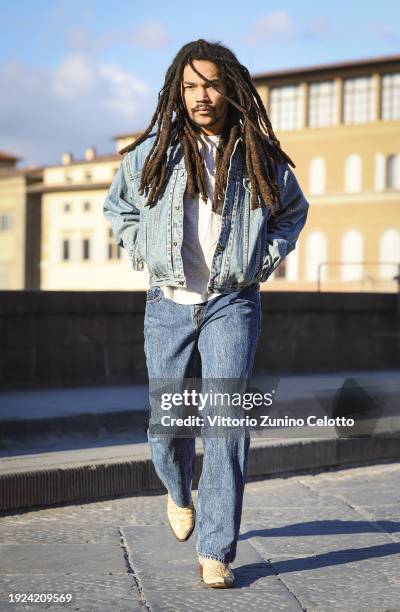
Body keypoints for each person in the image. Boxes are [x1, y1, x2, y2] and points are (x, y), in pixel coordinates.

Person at [103, 38, 309, 589]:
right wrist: (144, 250)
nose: (201, 95)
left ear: (231, 88)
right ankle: (177, 489)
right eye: (191, 86)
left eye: (212, 84)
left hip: (232, 302)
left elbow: (293, 210)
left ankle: (216, 550)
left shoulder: (258, 156)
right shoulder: (152, 153)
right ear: (177, 91)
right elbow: (117, 205)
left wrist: (263, 257)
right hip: (168, 302)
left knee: (225, 426)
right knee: (167, 424)